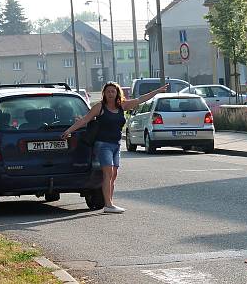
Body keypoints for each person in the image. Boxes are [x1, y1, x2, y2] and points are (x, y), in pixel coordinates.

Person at [62, 82, 168, 214]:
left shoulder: (122, 106)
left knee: (113, 175)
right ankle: (108, 204)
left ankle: (109, 202)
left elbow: (141, 99)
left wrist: (157, 91)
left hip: (116, 145)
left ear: (117, 93)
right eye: (108, 92)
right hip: (102, 144)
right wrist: (69, 130)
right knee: (108, 173)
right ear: (104, 94)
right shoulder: (99, 107)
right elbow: (84, 120)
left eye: (113, 91)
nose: (111, 94)